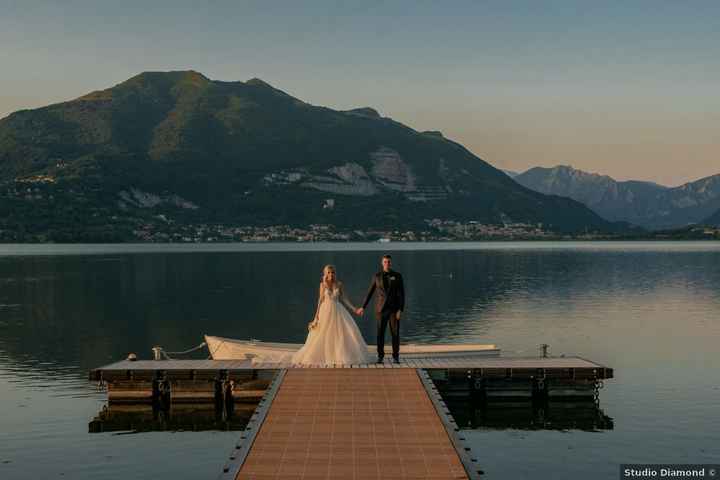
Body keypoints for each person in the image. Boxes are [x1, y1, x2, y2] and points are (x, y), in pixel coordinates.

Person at [290, 264, 371, 366]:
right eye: (328, 272)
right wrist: (316, 316)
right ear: (325, 274)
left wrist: (355, 309)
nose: (331, 274)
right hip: (325, 312)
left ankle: (338, 356)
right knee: (322, 334)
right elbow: (320, 300)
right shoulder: (322, 285)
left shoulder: (339, 284)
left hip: (338, 311)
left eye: (332, 272)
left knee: (341, 334)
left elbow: (345, 299)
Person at [357, 254, 405, 363]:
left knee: (395, 334)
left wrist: (400, 310)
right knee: (380, 333)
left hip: (394, 310)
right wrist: (363, 307)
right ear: (382, 263)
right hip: (381, 310)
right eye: (385, 262)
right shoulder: (376, 276)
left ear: (391, 263)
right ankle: (380, 356)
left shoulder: (397, 276)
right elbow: (370, 292)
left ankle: (396, 357)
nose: (387, 263)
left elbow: (402, 294)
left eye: (389, 262)